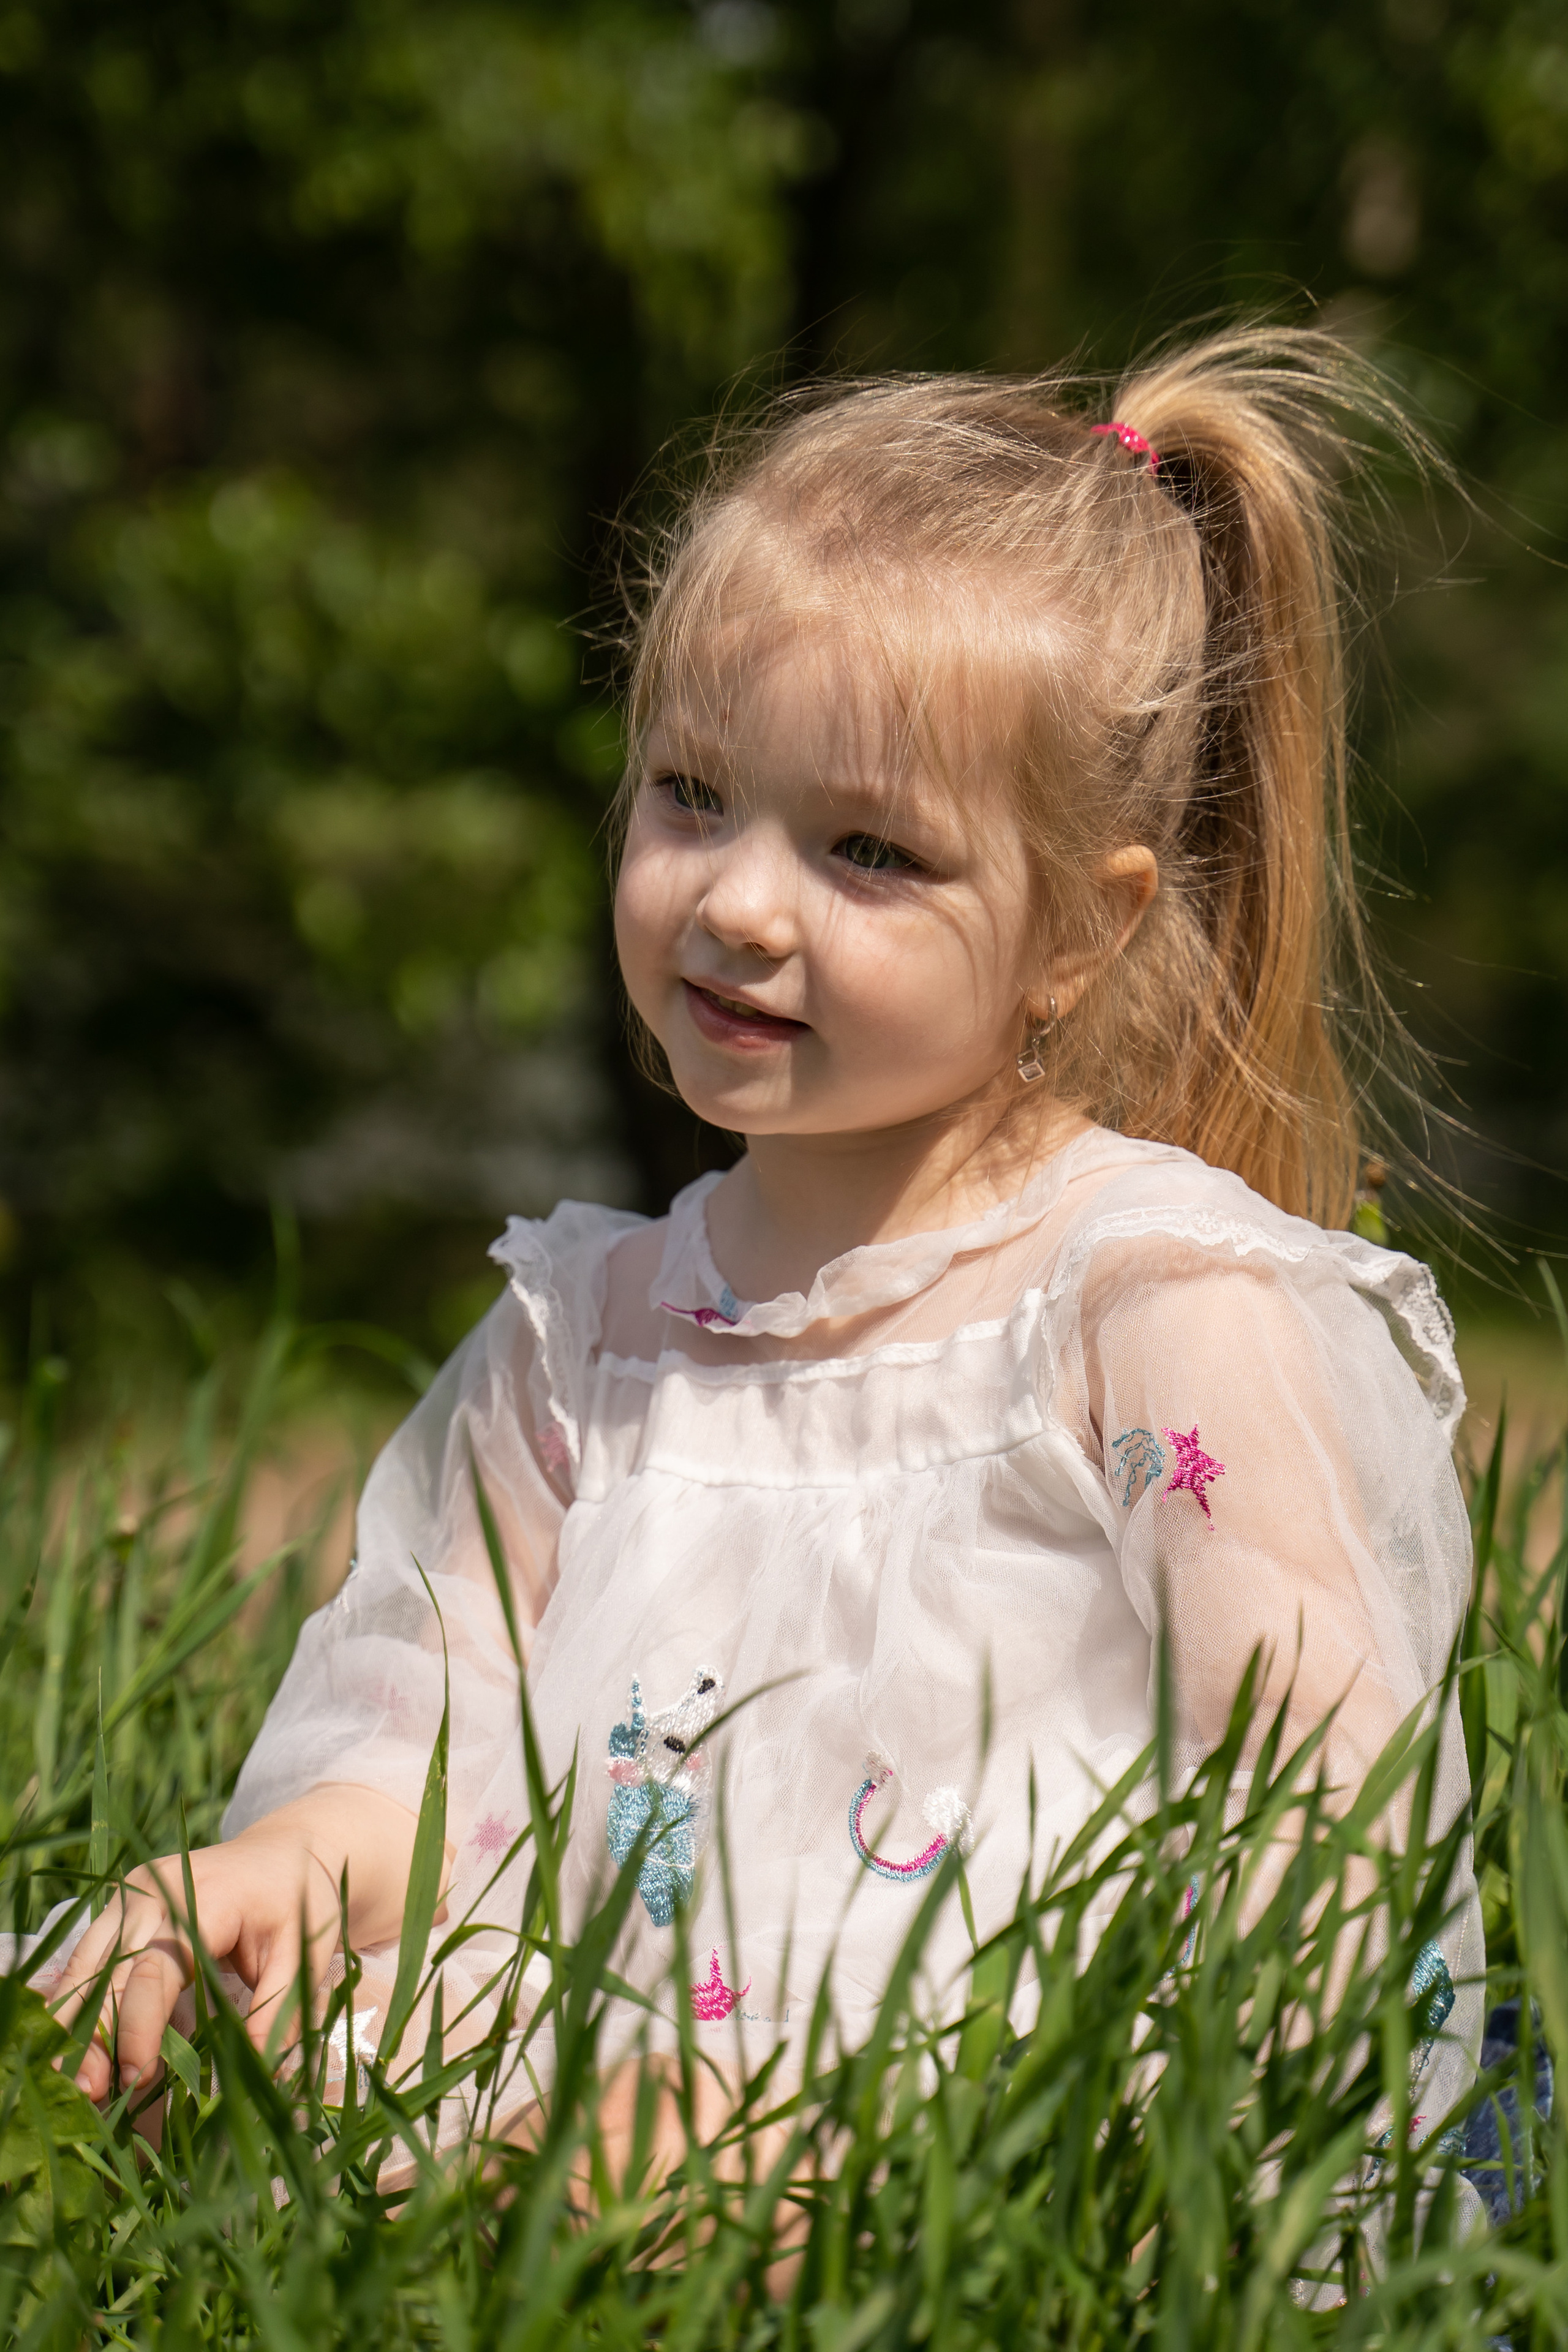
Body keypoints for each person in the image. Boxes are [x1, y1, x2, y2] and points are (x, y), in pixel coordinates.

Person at [55, 328, 1480, 2153]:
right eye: (692, 795)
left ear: (1079, 935)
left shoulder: (1151, 1307)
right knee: (182, 2073)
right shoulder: (592, 1331)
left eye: (869, 851)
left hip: (980, 2112)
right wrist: (266, 1872)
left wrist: (926, 2144)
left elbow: (1312, 1830)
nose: (736, 902)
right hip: (586, 2081)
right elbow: (424, 1741)